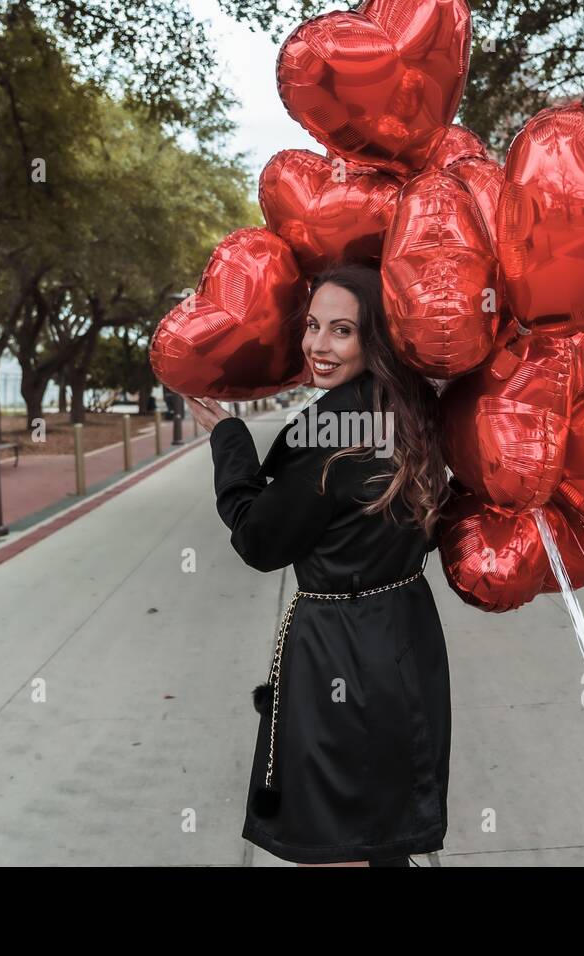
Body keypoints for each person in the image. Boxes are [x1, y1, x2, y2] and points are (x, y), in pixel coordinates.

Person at [181, 265, 452, 868]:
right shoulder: (417, 415)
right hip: (407, 639)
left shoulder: (330, 435)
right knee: (383, 832)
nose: (317, 345)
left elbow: (260, 540)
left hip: (341, 651)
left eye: (341, 331)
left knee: (339, 843)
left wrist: (228, 439)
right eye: (311, 326)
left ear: (374, 338)